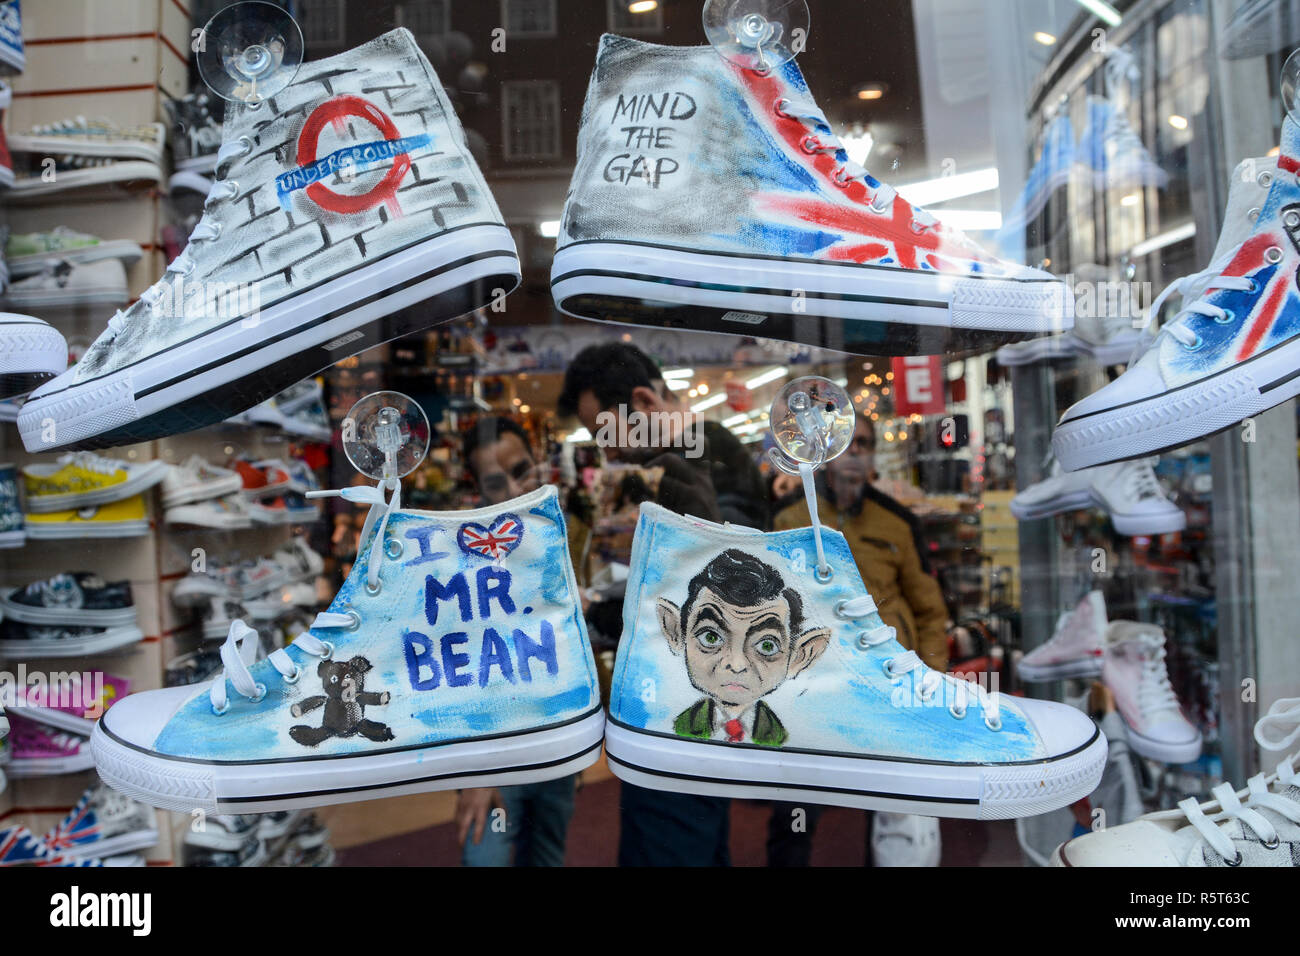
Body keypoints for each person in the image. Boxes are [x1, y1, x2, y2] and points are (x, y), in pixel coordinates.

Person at [559, 341, 741, 866]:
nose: (608, 453)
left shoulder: (687, 468)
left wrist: (599, 614)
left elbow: (704, 600)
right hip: (690, 711)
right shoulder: (688, 461)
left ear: (643, 402)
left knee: (670, 841)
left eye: (606, 435)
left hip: (679, 713)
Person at [766, 409, 951, 866]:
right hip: (812, 685)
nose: (854, 454)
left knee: (891, 812)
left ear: (872, 457)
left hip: (888, 683)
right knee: (795, 811)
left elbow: (930, 611)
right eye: (846, 444)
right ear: (824, 454)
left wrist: (930, 683)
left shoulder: (899, 522)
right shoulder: (789, 518)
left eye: (863, 445)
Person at [455, 416, 578, 867]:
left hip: (556, 737)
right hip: (493, 748)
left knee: (546, 855)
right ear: (477, 487)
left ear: (539, 463)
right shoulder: (458, 550)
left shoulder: (558, 530)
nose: (510, 487)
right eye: (493, 481)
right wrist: (478, 767)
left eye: (521, 470)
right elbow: (460, 669)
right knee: (486, 854)